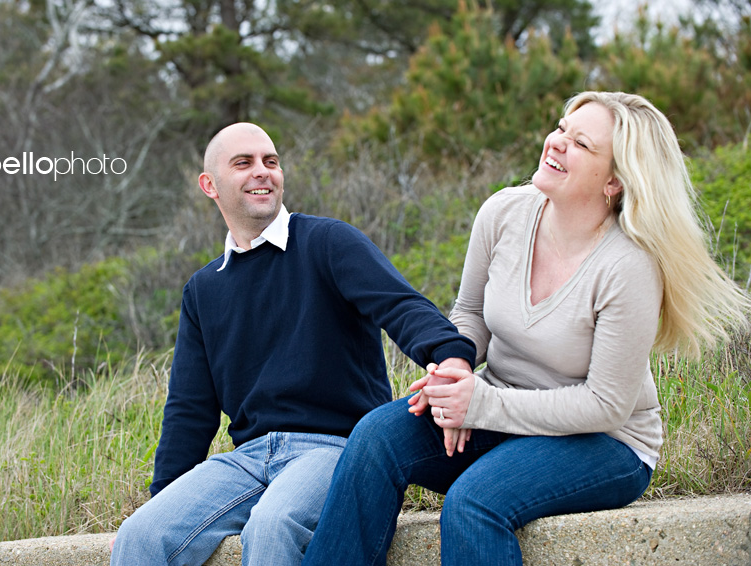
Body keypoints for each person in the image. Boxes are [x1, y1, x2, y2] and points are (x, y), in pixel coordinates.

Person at [302, 91, 751, 566]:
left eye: (580, 143)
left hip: (605, 443)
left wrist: (481, 404)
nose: (555, 143)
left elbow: (606, 405)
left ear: (614, 181)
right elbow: (470, 313)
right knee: (376, 438)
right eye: (561, 128)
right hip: (500, 412)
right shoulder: (503, 213)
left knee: (475, 501)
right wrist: (454, 368)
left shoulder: (628, 267)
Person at [109, 122, 478, 566]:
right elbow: (189, 409)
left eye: (271, 161)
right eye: (243, 163)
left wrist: (450, 356)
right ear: (210, 185)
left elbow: (401, 307)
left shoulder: (327, 242)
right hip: (247, 459)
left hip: (334, 449)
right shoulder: (204, 289)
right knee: (140, 536)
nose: (262, 172)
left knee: (273, 525)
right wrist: (161, 498)